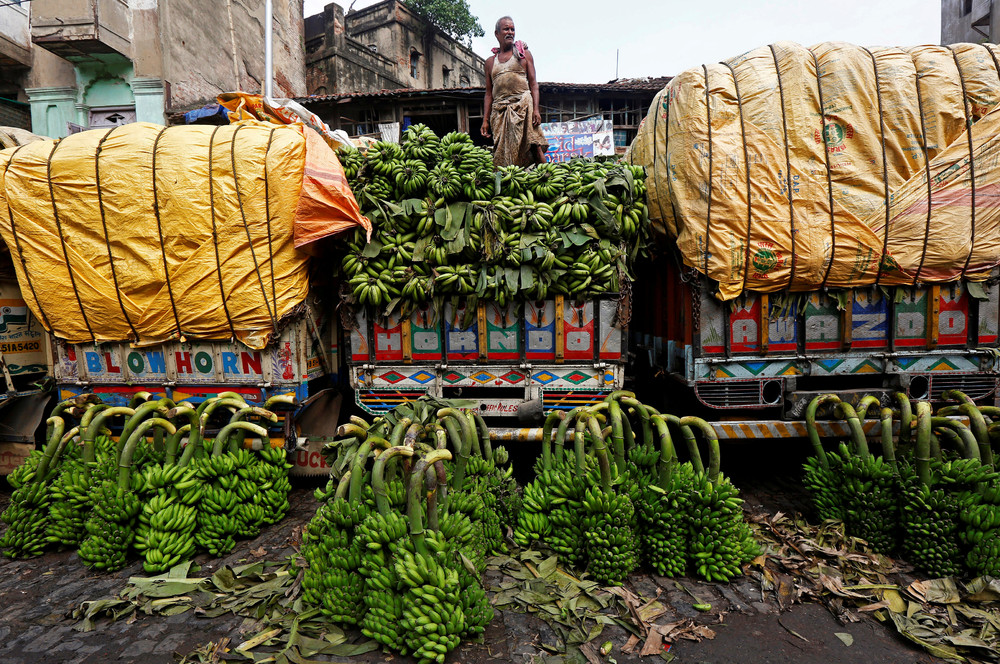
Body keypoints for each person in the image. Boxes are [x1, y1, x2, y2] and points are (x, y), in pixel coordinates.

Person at [480, 16, 548, 167]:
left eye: (512, 29)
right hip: (500, 111)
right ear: (497, 33)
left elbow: (534, 84)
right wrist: (485, 120)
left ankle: (550, 180)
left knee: (534, 146)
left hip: (523, 105)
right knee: (503, 152)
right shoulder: (490, 62)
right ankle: (509, 184)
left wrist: (536, 109)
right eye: (506, 29)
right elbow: (489, 94)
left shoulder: (523, 54)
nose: (510, 32)